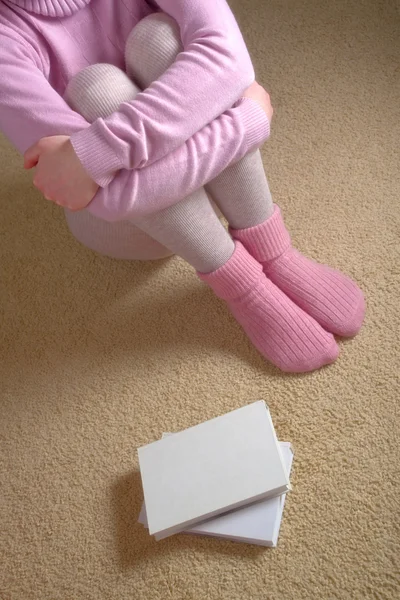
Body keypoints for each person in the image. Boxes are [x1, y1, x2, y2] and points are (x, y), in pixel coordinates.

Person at [0, 0, 365, 372]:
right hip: (136, 222)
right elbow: (116, 198)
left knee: (158, 38)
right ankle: (242, 285)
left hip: (213, 182)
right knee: (98, 88)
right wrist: (246, 122)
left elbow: (228, 58)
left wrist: (96, 151)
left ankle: (275, 254)